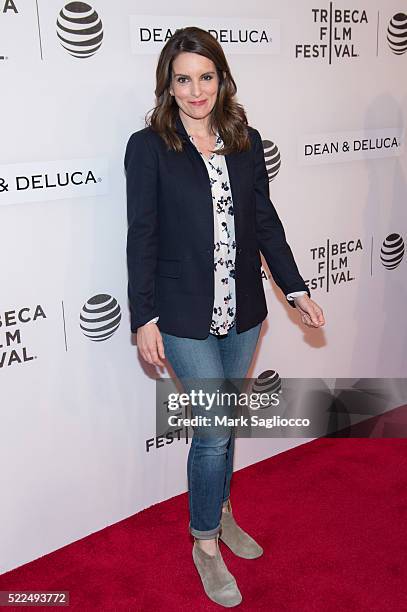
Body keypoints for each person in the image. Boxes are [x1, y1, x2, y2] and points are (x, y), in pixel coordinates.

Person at [125, 26, 325, 608]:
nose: (195, 91)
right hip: (182, 316)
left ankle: (222, 509)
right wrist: (144, 317)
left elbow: (264, 222)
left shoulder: (244, 139)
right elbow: (142, 237)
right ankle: (205, 544)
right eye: (182, 79)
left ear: (221, 78)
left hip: (243, 311)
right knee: (212, 431)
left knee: (227, 422)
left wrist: (294, 288)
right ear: (168, 84)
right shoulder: (148, 147)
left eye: (205, 77)